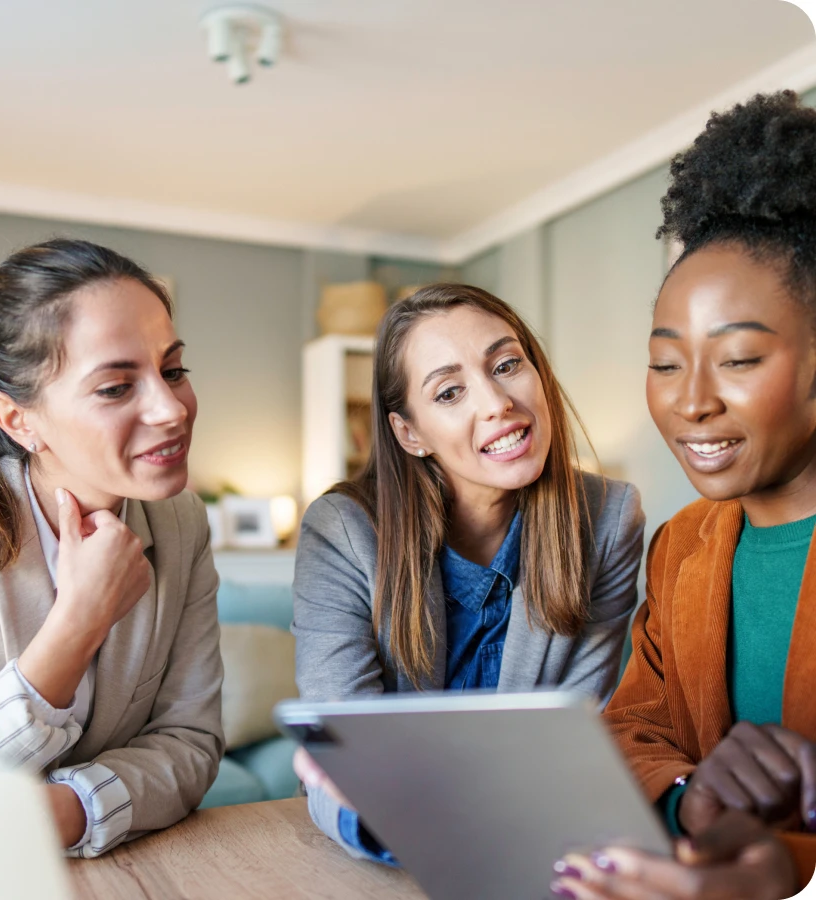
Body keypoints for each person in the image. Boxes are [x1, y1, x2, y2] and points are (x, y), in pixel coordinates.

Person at [552, 91, 816, 899]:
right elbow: (633, 728)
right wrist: (690, 798)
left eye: (738, 360)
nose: (690, 401)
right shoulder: (683, 543)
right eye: (665, 364)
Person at [292, 283, 645, 861]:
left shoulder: (607, 518)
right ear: (410, 433)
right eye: (450, 391)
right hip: (383, 840)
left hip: (537, 835)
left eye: (506, 364)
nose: (497, 402)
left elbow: (580, 734)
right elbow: (346, 747)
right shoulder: (343, 531)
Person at [0, 239, 224, 858]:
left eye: (173, 370)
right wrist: (79, 621)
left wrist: (68, 811)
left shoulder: (181, 524)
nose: (171, 409)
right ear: (20, 420)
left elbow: (191, 741)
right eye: (115, 387)